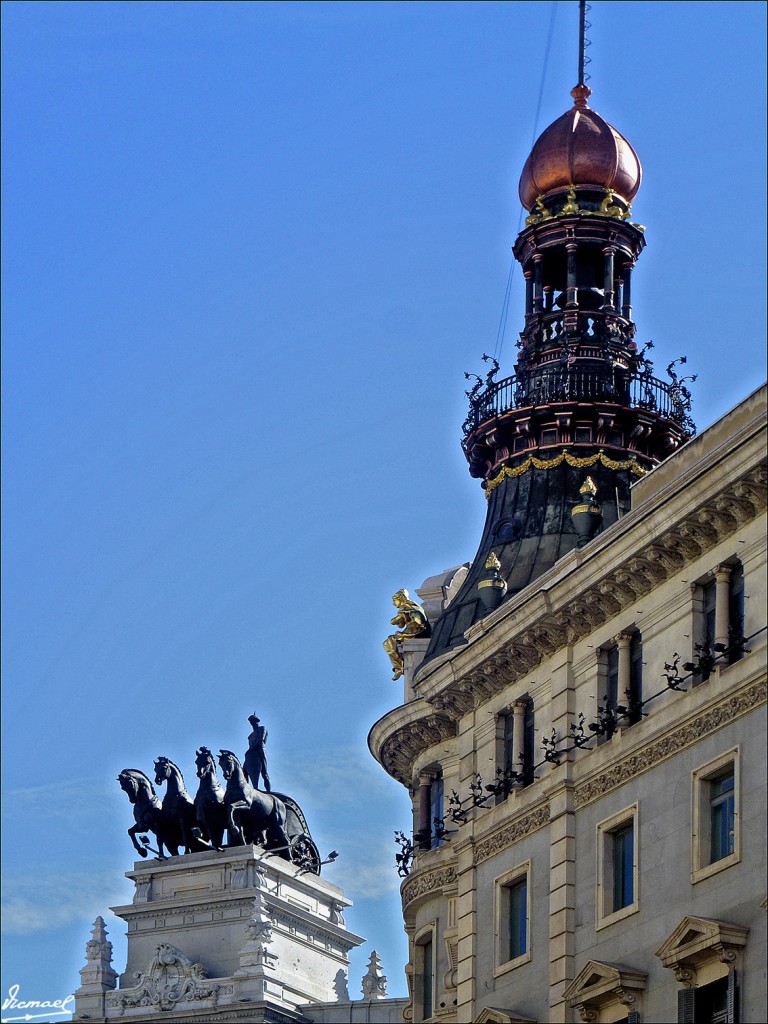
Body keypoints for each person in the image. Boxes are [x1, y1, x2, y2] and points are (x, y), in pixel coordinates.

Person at [243, 714, 271, 792]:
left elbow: (261, 740)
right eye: (251, 721)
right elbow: (250, 745)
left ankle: (268, 791)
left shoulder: (262, 728)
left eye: (253, 721)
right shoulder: (250, 736)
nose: (252, 723)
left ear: (257, 721)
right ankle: (246, 788)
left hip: (260, 751)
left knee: (264, 773)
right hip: (252, 753)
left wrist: (251, 749)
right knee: (244, 770)